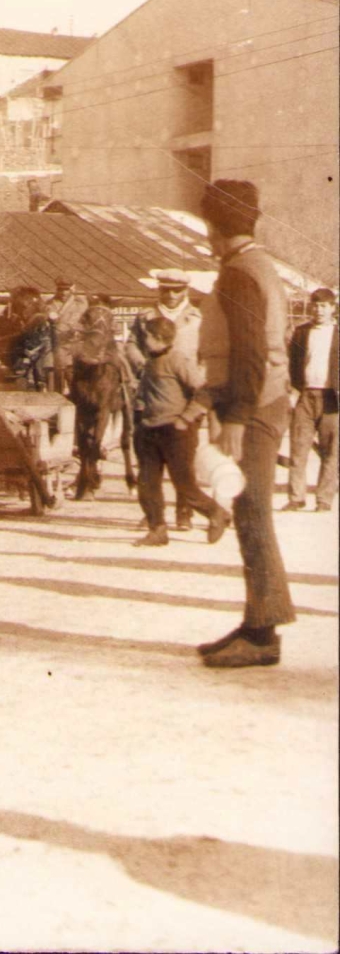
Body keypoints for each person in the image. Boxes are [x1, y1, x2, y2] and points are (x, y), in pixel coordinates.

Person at [187, 179, 295, 668]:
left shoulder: (238, 273)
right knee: (250, 512)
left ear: (214, 226)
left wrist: (235, 417)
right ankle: (257, 623)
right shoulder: (259, 266)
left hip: (253, 406)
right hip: (261, 401)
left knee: (251, 514)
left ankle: (262, 634)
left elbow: (251, 353)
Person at [131, 316, 229, 548]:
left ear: (158, 338)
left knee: (184, 485)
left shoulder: (177, 360)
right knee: (147, 483)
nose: (144, 340)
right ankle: (157, 530)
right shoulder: (150, 361)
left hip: (176, 432)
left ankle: (216, 513)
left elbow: (205, 391)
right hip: (150, 430)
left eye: (147, 336)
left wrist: (186, 418)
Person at [130, 270, 204, 529]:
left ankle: (184, 511)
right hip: (151, 395)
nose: (170, 295)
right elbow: (131, 345)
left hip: (184, 398)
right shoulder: (145, 317)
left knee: (183, 461)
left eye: (176, 290)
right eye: (165, 289)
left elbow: (207, 353)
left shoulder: (198, 318)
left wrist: (201, 378)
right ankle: (153, 512)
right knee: (149, 461)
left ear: (186, 291)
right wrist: (143, 365)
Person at [284, 287, 337, 513]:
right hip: (305, 396)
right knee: (298, 448)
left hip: (331, 399)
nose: (319, 310)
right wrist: (292, 393)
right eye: (315, 306)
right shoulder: (301, 332)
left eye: (324, 306)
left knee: (331, 451)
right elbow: (292, 364)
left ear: (333, 308)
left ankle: (324, 499)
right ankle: (296, 497)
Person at [46, 276, 88, 393]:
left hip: (76, 342)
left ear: (71, 290)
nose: (63, 293)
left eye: (66, 289)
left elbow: (87, 321)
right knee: (58, 369)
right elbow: (49, 321)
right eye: (61, 290)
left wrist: (78, 329)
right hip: (58, 342)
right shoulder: (50, 304)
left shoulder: (81, 303)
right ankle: (58, 393)